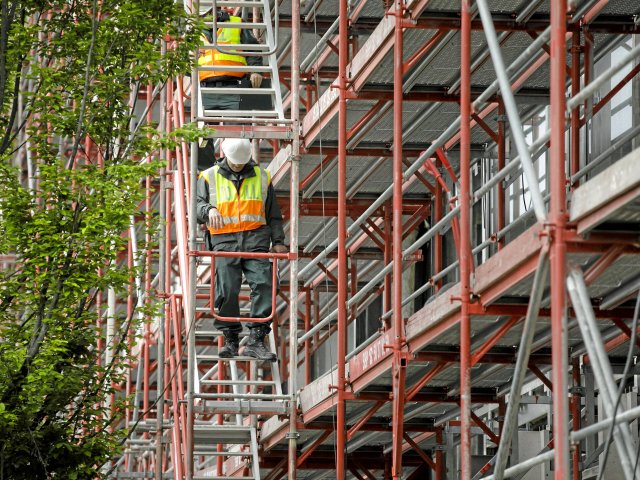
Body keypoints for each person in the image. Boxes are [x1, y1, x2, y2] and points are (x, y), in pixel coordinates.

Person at [196, 138, 287, 361]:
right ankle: (231, 339)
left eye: (240, 163)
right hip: (224, 240)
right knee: (226, 290)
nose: (237, 165)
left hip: (256, 238)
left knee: (265, 284)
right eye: (235, 163)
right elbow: (197, 205)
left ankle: (257, 339)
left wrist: (278, 240)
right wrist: (208, 210)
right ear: (225, 155)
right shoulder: (208, 175)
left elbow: (272, 213)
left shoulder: (262, 176)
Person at [198, 8, 264, 112]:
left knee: (237, 126)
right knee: (203, 127)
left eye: (206, 13)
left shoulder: (236, 23)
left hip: (234, 87)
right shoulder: (193, 31)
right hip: (205, 90)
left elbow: (252, 49)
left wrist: (256, 71)